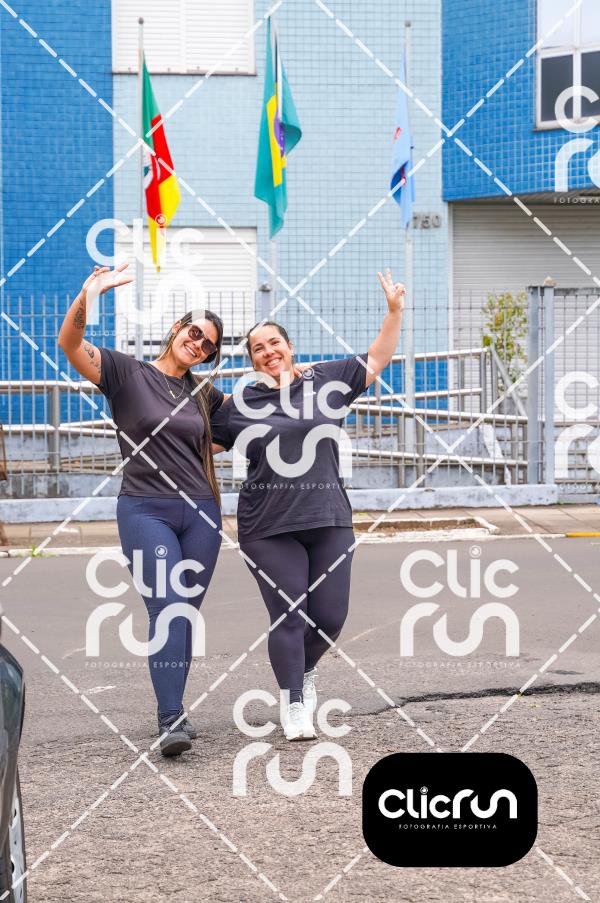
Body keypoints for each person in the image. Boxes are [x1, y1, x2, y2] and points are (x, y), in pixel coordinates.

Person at [211, 268, 405, 740]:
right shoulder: (238, 404)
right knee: (289, 615)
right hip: (267, 526)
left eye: (274, 342)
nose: (268, 351)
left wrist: (394, 311)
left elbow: (377, 358)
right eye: (258, 348)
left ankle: (304, 671)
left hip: (329, 518)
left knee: (331, 617)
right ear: (252, 360)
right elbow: (197, 445)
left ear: (289, 346)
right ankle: (293, 702)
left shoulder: (327, 380)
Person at [58, 263, 225, 757]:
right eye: (195, 333)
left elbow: (239, 425)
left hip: (202, 514)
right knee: (167, 606)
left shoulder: (203, 393)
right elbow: (69, 343)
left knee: (183, 614)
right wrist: (89, 294)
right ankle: (170, 718)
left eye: (208, 345)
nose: (198, 345)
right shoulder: (126, 373)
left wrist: (288, 377)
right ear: (176, 328)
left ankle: (176, 708)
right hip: (145, 510)